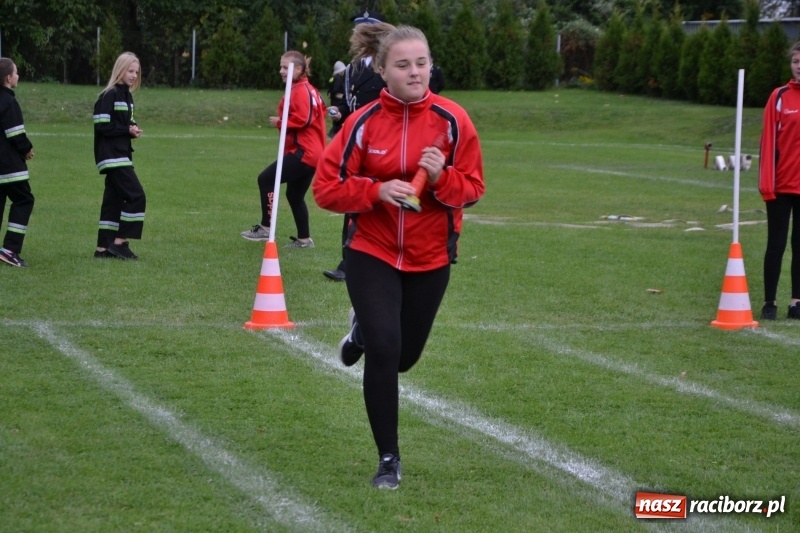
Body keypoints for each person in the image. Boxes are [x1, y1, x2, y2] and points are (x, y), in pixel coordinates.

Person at [313, 25, 485, 489]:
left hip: (430, 256)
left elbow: (473, 190)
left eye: (422, 63)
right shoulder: (362, 122)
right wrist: (376, 190)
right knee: (386, 349)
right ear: (383, 71)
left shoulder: (454, 120)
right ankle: (388, 459)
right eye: (404, 65)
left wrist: (442, 177)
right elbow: (326, 189)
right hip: (371, 250)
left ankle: (360, 333)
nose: (415, 72)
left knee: (404, 357)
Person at [323, 15, 393, 281]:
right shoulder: (353, 67)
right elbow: (349, 103)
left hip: (380, 141)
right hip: (357, 139)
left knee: (374, 203)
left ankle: (367, 262)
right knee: (353, 200)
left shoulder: (387, 67)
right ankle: (348, 262)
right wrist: (338, 112)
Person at [241, 51, 327, 248]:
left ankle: (266, 227)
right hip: (313, 153)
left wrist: (281, 121)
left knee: (266, 179)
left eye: (285, 67)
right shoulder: (307, 88)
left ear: (298, 69)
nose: (280, 71)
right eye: (280, 66)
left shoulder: (300, 90)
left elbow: (304, 119)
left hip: (304, 153)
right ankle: (304, 240)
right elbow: (320, 111)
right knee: (294, 196)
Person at [759, 41, 800, 320]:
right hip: (780, 186)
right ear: (791, 64)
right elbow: (767, 142)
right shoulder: (779, 96)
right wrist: (767, 184)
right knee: (776, 243)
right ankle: (769, 302)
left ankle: (796, 302)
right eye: (796, 61)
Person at [93, 52, 146, 260]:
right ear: (120, 70)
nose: (134, 75)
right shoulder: (109, 95)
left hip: (121, 154)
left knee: (113, 201)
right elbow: (102, 126)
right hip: (112, 157)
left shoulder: (127, 96)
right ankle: (119, 243)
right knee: (137, 196)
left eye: (136, 72)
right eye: (130, 71)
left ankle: (103, 248)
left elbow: (125, 122)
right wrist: (126, 130)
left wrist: (132, 128)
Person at [0, 58, 35, 268]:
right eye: (16, 72)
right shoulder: (9, 102)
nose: (18, 76)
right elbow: (15, 133)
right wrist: (27, 149)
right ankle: (10, 249)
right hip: (9, 167)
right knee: (24, 200)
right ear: (8, 78)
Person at [327, 60, 347, 138]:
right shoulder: (339, 78)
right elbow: (337, 90)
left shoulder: (332, 78)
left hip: (334, 101)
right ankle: (334, 133)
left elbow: (330, 90)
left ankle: (333, 132)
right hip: (338, 101)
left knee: (335, 117)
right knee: (338, 119)